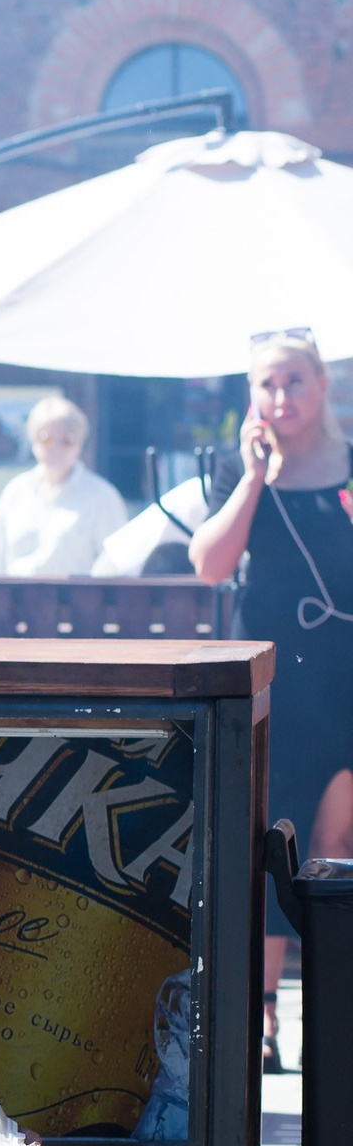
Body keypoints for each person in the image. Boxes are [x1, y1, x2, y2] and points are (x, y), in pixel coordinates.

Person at [190, 326, 353, 1070]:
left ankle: (329, 1003)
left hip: (344, 677)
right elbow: (210, 564)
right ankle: (261, 1015)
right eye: (267, 384)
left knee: (337, 846)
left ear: (323, 384)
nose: (282, 397)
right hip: (277, 680)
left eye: (294, 380)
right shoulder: (238, 467)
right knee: (272, 845)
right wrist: (255, 478)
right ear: (252, 395)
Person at [0, 395, 125, 575]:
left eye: (67, 440)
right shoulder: (16, 492)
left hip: (75, 601)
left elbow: (116, 570)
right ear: (33, 440)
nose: (55, 448)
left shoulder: (103, 497)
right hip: (15, 600)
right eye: (46, 439)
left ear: (80, 444)